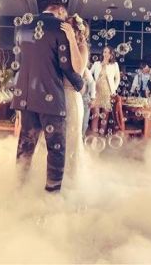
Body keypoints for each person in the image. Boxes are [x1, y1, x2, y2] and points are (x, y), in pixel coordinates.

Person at [11, 4, 84, 193]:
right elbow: (65, 66)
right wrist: (79, 83)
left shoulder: (23, 28)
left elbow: (19, 63)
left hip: (26, 97)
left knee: (26, 143)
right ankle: (52, 191)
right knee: (56, 148)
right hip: (50, 99)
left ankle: (19, 185)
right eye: (64, 16)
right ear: (60, 12)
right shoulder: (59, 28)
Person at [60, 14, 89, 180]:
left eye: (69, 26)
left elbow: (78, 69)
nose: (65, 28)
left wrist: (71, 38)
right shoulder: (63, 46)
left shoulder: (82, 47)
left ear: (77, 31)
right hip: (58, 97)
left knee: (72, 140)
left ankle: (71, 179)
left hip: (71, 98)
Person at [90, 46, 120, 134]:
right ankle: (94, 136)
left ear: (111, 55)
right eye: (105, 52)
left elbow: (117, 78)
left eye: (108, 52)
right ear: (102, 53)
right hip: (96, 92)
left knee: (105, 116)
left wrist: (114, 89)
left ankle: (101, 135)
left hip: (108, 92)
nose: (106, 54)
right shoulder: (96, 64)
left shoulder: (114, 65)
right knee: (95, 115)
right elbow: (89, 75)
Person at [81, 67, 96, 138]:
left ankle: (82, 137)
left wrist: (92, 98)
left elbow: (92, 83)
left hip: (85, 99)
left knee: (84, 122)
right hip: (73, 98)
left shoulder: (85, 70)